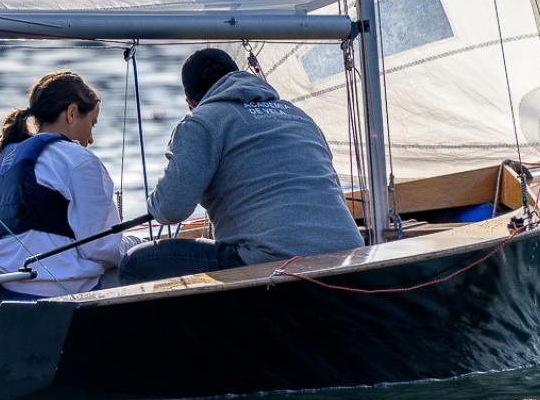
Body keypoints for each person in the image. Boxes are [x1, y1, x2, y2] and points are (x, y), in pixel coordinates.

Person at [118, 48, 364, 284]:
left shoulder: (201, 122)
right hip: (349, 253)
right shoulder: (297, 115)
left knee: (135, 263)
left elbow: (171, 210)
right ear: (239, 75)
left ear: (191, 102)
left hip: (272, 261)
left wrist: (154, 203)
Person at [0, 71, 140, 297]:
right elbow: (100, 248)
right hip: (63, 291)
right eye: (92, 124)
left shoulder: (8, 157)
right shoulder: (79, 160)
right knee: (154, 266)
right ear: (72, 112)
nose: (91, 138)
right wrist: (137, 242)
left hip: (11, 287)